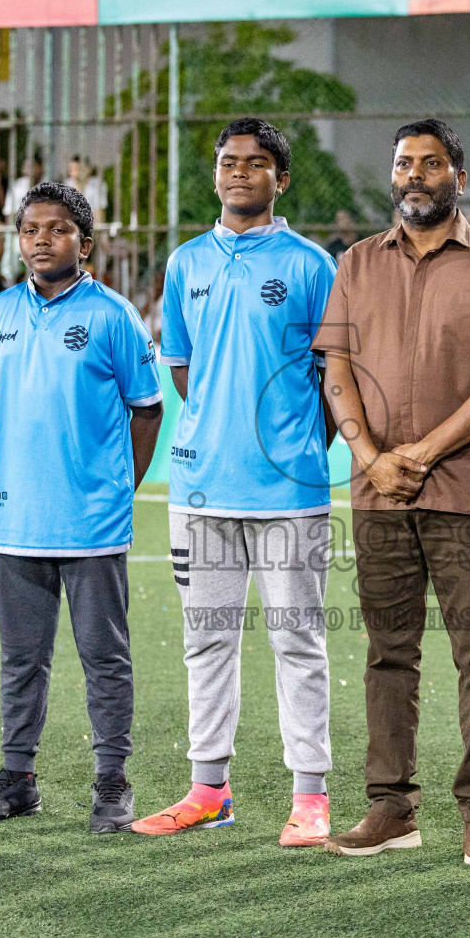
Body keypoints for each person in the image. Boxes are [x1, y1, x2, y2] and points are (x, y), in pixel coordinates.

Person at [317, 119, 470, 866]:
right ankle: (391, 808)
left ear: (459, 178)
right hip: (376, 492)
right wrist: (370, 456)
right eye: (405, 163)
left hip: (465, 491)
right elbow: (336, 371)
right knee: (388, 653)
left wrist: (421, 451)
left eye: (432, 163)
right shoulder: (355, 264)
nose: (416, 175)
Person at [131, 118, 338, 846]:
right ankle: (208, 789)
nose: (239, 172)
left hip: (289, 492)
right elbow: (183, 370)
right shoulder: (186, 263)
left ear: (281, 179)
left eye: (256, 164)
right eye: (228, 162)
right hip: (201, 488)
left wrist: (293, 446)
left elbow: (331, 378)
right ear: (214, 174)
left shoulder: (314, 265)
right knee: (208, 639)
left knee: (298, 641)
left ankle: (309, 797)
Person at [0, 183, 163, 829]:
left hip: (91, 525)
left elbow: (147, 410)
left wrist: (115, 490)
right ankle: (17, 776)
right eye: (30, 230)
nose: (41, 240)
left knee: (104, 658)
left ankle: (112, 780)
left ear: (85, 240)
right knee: (21, 659)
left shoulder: (112, 315)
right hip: (13, 520)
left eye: (56, 229)